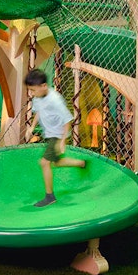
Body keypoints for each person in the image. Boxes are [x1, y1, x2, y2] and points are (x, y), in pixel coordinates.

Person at [25, 68, 86, 207]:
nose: (31, 93)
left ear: (44, 86)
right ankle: (81, 163)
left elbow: (67, 120)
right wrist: (32, 127)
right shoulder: (38, 97)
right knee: (57, 162)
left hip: (58, 135)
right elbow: (38, 112)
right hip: (49, 134)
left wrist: (63, 141)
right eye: (30, 90)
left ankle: (50, 197)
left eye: (33, 90)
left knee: (44, 162)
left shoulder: (55, 100)